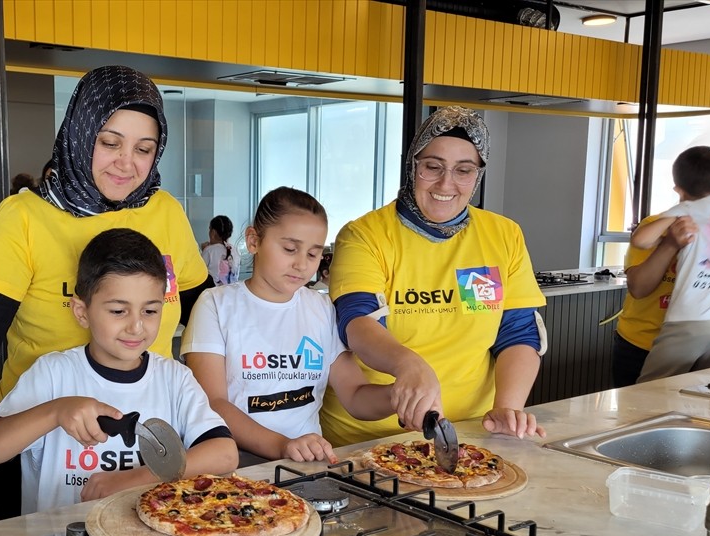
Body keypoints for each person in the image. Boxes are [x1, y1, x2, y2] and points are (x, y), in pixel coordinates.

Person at [0, 65, 210, 519]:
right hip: (38, 445)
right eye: (110, 142)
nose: (127, 163)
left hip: (142, 452)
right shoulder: (24, 217)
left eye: (144, 148)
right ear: (80, 134)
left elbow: (205, 310)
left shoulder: (165, 212)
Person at [319, 106, 547, 447]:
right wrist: (408, 365)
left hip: (470, 433)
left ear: (478, 175)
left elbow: (517, 331)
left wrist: (507, 407)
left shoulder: (503, 235)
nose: (446, 183)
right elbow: (358, 322)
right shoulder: (365, 235)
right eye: (432, 166)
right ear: (413, 166)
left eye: (463, 170)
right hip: (367, 438)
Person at [0, 229, 237, 514]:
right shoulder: (53, 373)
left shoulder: (174, 378)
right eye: (118, 311)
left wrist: (134, 479)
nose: (136, 326)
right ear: (81, 312)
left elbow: (224, 453)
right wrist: (56, 412)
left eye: (149, 311)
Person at [181, 187, 394, 466]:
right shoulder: (216, 305)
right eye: (290, 249)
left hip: (306, 467)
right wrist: (283, 446)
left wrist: (399, 397)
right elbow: (213, 403)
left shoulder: (322, 308)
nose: (301, 264)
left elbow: (354, 395)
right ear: (254, 240)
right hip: (233, 469)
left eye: (313, 254)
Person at [614, 150, 710, 387]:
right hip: (643, 343)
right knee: (647, 399)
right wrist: (671, 243)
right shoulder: (667, 221)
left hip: (707, 329)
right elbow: (639, 288)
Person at [200, 215, 238, 285]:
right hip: (233, 290)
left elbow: (199, 274)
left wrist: (204, 251)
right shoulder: (235, 250)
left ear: (213, 233)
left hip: (213, 291)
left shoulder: (209, 251)